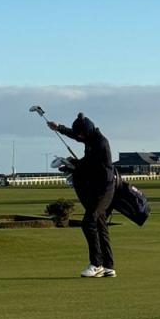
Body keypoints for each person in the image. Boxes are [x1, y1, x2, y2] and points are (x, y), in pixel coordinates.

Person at [47, 112, 116, 278]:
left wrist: (72, 164)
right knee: (100, 224)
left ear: (87, 131)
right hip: (99, 187)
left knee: (88, 222)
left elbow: (89, 165)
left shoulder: (101, 143)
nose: (79, 137)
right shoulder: (91, 136)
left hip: (105, 189)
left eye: (81, 134)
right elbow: (75, 136)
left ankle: (96, 264)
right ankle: (108, 266)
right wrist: (59, 128)